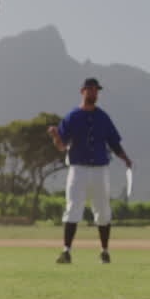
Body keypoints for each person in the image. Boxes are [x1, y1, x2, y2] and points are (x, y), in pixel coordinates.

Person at [47, 78, 133, 264]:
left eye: (96, 90)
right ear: (82, 91)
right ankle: (66, 251)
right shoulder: (72, 116)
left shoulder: (103, 117)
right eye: (90, 90)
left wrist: (125, 158)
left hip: (100, 169)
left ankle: (104, 251)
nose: (94, 93)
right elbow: (61, 146)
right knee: (73, 208)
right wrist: (55, 136)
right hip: (78, 169)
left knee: (102, 210)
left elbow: (114, 142)